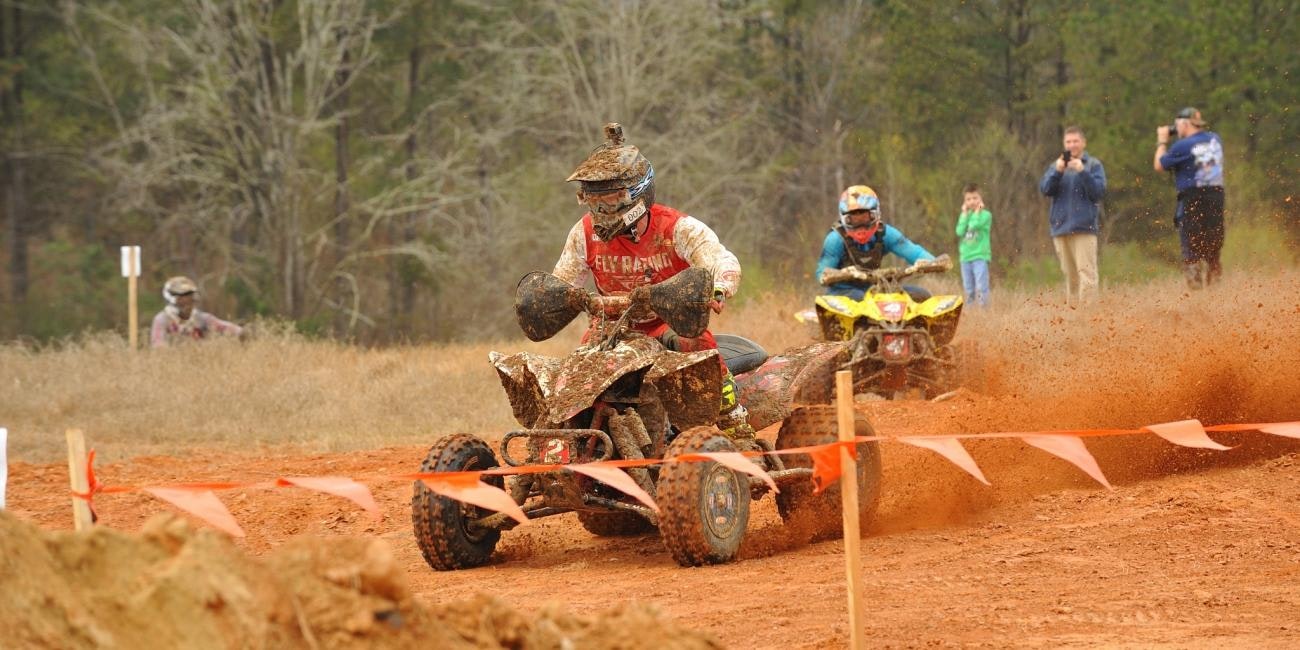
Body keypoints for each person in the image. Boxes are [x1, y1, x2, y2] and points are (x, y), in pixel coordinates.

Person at [551, 123, 752, 443]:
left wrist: (719, 286)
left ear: (638, 194)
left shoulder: (677, 228)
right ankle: (571, 439)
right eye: (594, 201)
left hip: (668, 322)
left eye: (612, 200)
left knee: (697, 345)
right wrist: (554, 298)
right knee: (576, 373)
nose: (602, 211)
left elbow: (720, 259)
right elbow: (563, 280)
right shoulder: (583, 233)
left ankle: (735, 422)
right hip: (611, 326)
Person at [816, 185, 938, 303]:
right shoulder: (835, 239)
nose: (860, 226)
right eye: (853, 220)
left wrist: (933, 262)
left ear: (876, 214)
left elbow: (914, 252)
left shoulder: (886, 234)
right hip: (841, 293)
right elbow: (822, 273)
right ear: (844, 219)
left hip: (875, 289)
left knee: (921, 295)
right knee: (860, 298)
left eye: (865, 218)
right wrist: (840, 274)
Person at [1154, 107, 1225, 289]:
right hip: (1216, 197)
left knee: (1191, 247)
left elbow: (1159, 165)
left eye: (1177, 125)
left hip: (1193, 199)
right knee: (1213, 246)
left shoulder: (1182, 146)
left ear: (1185, 124)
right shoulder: (1215, 139)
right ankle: (1216, 288)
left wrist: (1162, 141)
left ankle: (1196, 291)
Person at [1038, 125, 1107, 307]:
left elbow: (1098, 192)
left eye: (1076, 141)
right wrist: (1057, 172)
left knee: (1087, 273)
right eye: (1068, 141)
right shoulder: (1056, 166)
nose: (1072, 145)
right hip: (1060, 228)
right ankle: (1074, 313)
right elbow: (1045, 190)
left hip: (1084, 228)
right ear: (1064, 144)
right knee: (1070, 276)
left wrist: (1082, 172)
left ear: (1083, 143)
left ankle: (1089, 315)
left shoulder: (1093, 165)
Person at [150, 276, 243, 348]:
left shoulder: (201, 318)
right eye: (182, 297)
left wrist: (243, 333)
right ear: (172, 299)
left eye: (190, 296)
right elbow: (158, 346)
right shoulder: (162, 320)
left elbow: (231, 329)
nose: (188, 301)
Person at [954, 183, 992, 308]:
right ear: (964, 202)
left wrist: (978, 211)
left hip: (980, 255)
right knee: (968, 289)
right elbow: (959, 231)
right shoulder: (965, 215)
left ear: (981, 199)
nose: (972, 201)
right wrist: (964, 214)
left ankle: (984, 311)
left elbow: (973, 225)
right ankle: (971, 311)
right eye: (968, 199)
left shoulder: (985, 215)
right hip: (965, 257)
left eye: (975, 198)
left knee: (981, 287)